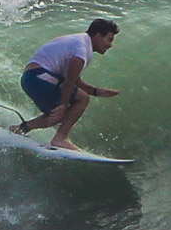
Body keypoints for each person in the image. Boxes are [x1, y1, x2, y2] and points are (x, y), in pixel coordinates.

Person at [10, 18, 121, 150]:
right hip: (39, 77)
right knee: (81, 100)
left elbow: (74, 79)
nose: (110, 45)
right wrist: (63, 104)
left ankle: (21, 129)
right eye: (109, 39)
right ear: (97, 36)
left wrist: (95, 91)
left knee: (59, 115)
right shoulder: (81, 49)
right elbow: (69, 80)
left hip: (32, 78)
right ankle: (60, 138)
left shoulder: (79, 41)